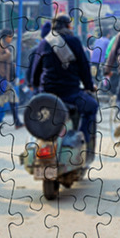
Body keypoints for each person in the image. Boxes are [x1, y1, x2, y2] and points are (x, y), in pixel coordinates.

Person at [29, 14, 100, 152]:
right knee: (92, 106)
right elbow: (84, 68)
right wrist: (89, 87)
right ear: (68, 26)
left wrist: (37, 87)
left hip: (47, 95)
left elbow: (35, 74)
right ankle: (82, 141)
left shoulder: (44, 43)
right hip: (70, 94)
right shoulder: (74, 41)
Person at [0, 29, 23, 129]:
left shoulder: (4, 45)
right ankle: (17, 122)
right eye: (10, 36)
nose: (11, 38)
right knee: (10, 97)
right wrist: (7, 55)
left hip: (2, 78)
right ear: (6, 36)